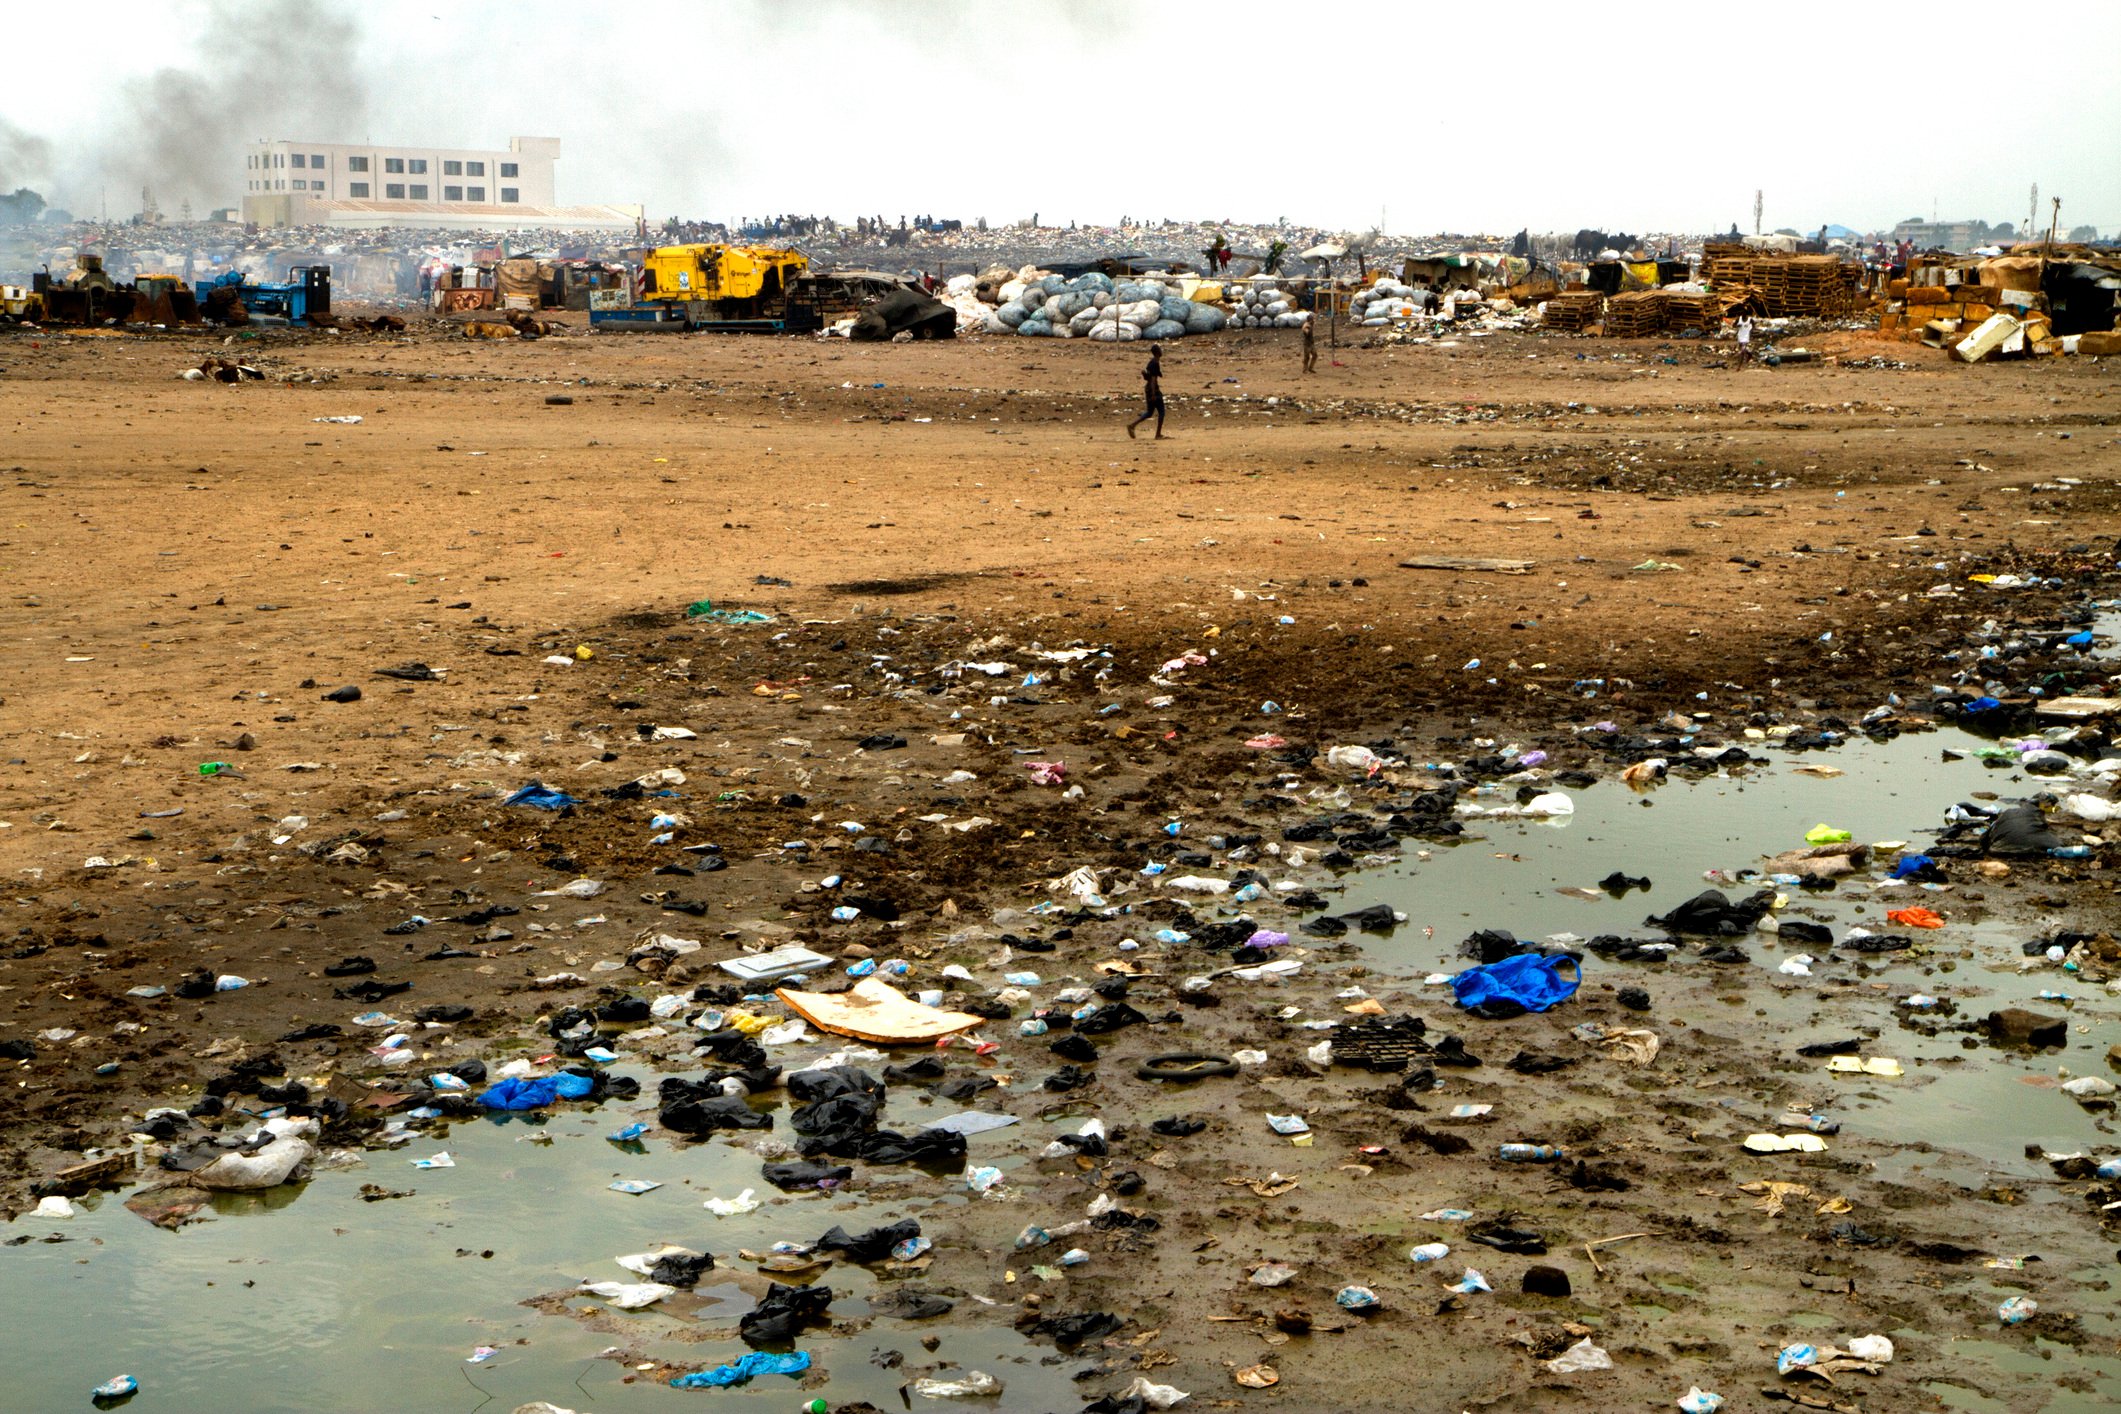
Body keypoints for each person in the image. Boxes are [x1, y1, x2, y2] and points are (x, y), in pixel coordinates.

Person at [1126, 343, 1166, 439]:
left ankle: (1132, 425)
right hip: (1153, 390)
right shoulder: (1155, 363)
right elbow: (1152, 379)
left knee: (1149, 412)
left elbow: (1147, 377)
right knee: (1161, 412)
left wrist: (1144, 375)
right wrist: (1153, 393)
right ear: (1157, 352)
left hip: (1148, 389)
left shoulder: (1152, 362)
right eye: (1160, 350)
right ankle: (1158, 435)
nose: (1161, 351)